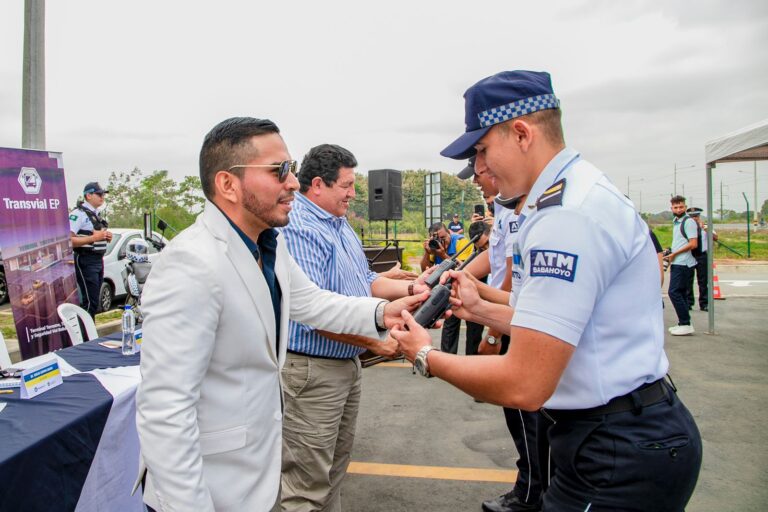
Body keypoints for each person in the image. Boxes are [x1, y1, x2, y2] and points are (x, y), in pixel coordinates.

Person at [392, 70, 702, 511]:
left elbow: (525, 383)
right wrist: (481, 307)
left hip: (615, 451)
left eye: (482, 150)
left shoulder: (564, 218)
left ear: (521, 133)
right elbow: (557, 323)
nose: (479, 169)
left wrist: (424, 354)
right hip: (621, 434)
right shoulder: (572, 194)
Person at [134, 117, 426, 512]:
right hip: (210, 488)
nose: (293, 182)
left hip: (253, 476)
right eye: (279, 171)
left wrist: (384, 313)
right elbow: (165, 410)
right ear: (228, 185)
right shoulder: (191, 264)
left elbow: (313, 303)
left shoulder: (267, 245)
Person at [278, 144, 421, 511]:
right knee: (305, 484)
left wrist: (415, 288)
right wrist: (375, 343)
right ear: (317, 185)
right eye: (346, 185)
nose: (353, 194)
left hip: (344, 366)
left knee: (334, 473)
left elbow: (366, 280)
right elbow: (312, 313)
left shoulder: (339, 225)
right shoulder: (300, 229)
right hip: (312, 372)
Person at [69, 182, 113, 318]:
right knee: (89, 303)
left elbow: (94, 236)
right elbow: (69, 241)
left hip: (98, 260)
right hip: (85, 259)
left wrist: (105, 237)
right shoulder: (78, 214)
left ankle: (89, 334)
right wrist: (94, 238)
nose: (102, 197)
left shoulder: (95, 214)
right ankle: (86, 337)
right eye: (99, 194)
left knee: (95, 303)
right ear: (88, 195)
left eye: (103, 194)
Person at [665, 196, 699, 335]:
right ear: (671, 208)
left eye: (681, 207)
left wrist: (675, 254)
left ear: (685, 207)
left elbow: (693, 243)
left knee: (673, 292)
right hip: (678, 261)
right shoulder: (676, 222)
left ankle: (685, 323)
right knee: (681, 293)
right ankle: (683, 323)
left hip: (683, 262)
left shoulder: (688, 222)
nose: (678, 209)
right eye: (675, 207)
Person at [686, 207, 717, 312]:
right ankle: (689, 302)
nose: (694, 218)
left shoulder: (706, 226)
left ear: (699, 216)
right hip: (690, 255)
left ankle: (704, 303)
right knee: (688, 280)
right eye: (692, 216)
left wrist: (704, 228)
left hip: (702, 255)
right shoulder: (686, 226)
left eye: (696, 216)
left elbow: (715, 238)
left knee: (703, 281)